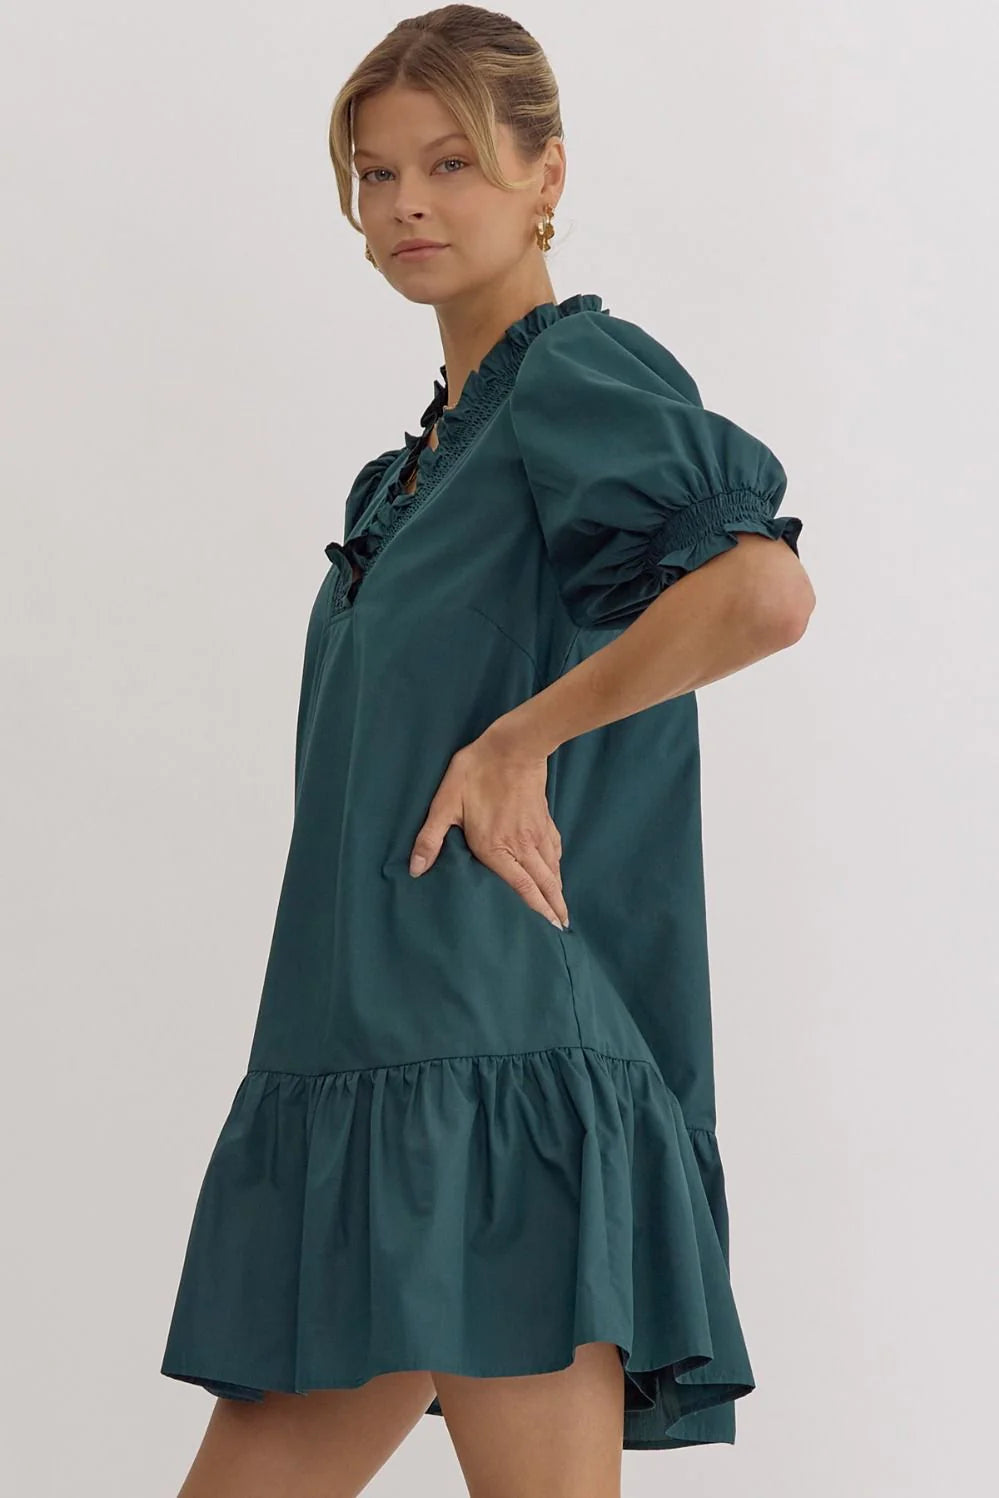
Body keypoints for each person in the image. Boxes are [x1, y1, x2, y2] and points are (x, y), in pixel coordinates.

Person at [160, 8, 814, 1496]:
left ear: (545, 173)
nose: (406, 203)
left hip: (496, 1064)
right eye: (376, 173)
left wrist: (525, 740)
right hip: (364, 1060)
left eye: (451, 163)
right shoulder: (404, 477)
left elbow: (763, 592)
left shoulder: (575, 378)